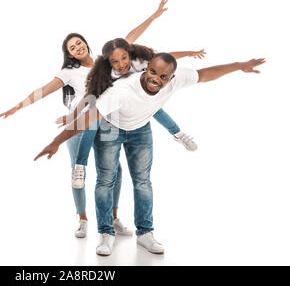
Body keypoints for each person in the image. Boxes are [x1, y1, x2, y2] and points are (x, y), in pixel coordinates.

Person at [34, 41, 265, 256]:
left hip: (140, 130)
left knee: (143, 181)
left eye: (163, 76)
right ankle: (106, 233)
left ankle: (145, 233)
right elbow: (88, 119)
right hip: (110, 128)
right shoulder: (121, 90)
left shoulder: (176, 79)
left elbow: (205, 74)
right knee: (106, 179)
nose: (156, 79)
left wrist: (239, 66)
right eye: (152, 72)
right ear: (145, 69)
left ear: (171, 77)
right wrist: (56, 141)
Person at [0, 0, 199, 239]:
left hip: (114, 117)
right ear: (68, 54)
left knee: (116, 168)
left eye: (79, 42)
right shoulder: (69, 72)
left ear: (86, 44)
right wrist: (19, 106)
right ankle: (82, 218)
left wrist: (154, 17)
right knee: (79, 167)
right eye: (72, 47)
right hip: (84, 119)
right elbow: (45, 90)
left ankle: (114, 219)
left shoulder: (111, 60)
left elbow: (137, 42)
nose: (77, 48)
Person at [56, 39, 205, 190]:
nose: (121, 65)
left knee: (154, 107)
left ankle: (178, 134)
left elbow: (166, 57)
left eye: (124, 58)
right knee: (91, 122)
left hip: (134, 101)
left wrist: (189, 53)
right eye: (114, 61)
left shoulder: (139, 62)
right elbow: (89, 95)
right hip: (111, 106)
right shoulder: (104, 73)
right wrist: (72, 116)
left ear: (129, 54)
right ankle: (80, 167)